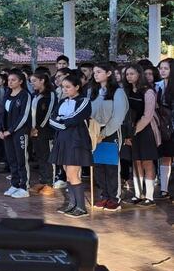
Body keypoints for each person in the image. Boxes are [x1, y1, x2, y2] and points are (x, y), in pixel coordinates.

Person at [49, 74, 93, 217]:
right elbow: (52, 119)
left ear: (77, 87)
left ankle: (81, 207)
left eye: (68, 87)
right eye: (63, 87)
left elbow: (75, 118)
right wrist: (62, 123)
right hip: (62, 140)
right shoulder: (62, 102)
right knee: (67, 174)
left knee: (73, 174)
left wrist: (62, 122)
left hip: (77, 141)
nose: (65, 90)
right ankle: (72, 204)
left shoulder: (84, 101)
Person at [89, 63, 128, 212]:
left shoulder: (118, 92)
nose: (95, 74)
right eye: (94, 72)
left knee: (111, 166)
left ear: (109, 73)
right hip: (94, 132)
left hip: (111, 132)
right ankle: (104, 195)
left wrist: (104, 133)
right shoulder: (94, 91)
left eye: (99, 72)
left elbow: (118, 116)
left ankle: (114, 198)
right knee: (99, 166)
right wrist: (94, 132)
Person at [123, 64, 159, 207]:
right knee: (136, 162)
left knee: (147, 162)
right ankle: (138, 194)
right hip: (132, 131)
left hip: (145, 131)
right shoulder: (127, 91)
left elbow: (147, 115)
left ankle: (149, 196)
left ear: (139, 74)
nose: (129, 76)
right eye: (127, 74)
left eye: (132, 74)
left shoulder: (148, 91)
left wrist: (134, 131)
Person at [0, 69, 32, 198]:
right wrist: (0, 129)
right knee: (11, 159)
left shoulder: (25, 95)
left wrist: (11, 130)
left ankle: (24, 186)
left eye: (13, 80)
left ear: (20, 81)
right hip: (7, 133)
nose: (10, 82)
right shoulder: (7, 94)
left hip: (20, 132)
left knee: (21, 159)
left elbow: (24, 116)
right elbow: (2, 113)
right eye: (9, 80)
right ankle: (15, 184)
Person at [29, 70, 57, 196]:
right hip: (35, 131)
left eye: (34, 81)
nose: (32, 84)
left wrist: (38, 128)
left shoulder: (50, 95)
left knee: (47, 156)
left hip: (46, 131)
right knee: (40, 156)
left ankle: (50, 183)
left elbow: (49, 113)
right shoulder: (35, 95)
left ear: (42, 80)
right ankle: (42, 180)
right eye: (31, 81)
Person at [157, 58, 174, 200]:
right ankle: (164, 189)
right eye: (161, 68)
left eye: (166, 68)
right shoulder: (157, 86)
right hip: (163, 127)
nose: (162, 71)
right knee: (165, 157)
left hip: (171, 125)